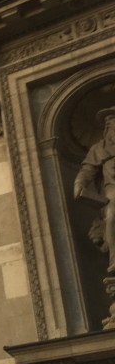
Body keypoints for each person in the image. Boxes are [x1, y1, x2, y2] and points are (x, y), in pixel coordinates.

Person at [74, 106, 115, 273]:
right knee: (112, 215)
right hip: (112, 191)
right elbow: (87, 171)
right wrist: (79, 183)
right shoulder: (99, 149)